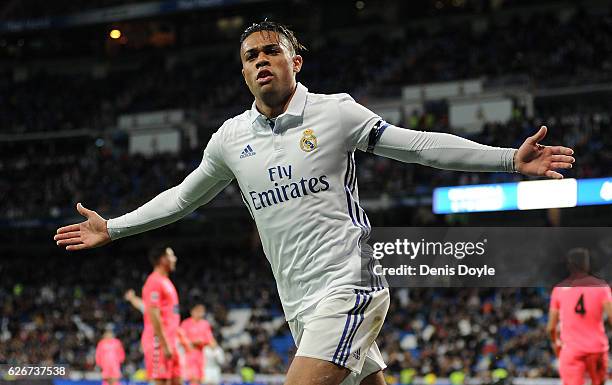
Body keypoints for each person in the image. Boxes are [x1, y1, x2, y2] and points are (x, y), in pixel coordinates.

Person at [55, 21, 575, 385]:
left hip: (350, 281)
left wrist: (509, 160)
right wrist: (115, 227)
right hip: (298, 301)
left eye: (270, 52)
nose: (261, 61)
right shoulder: (230, 139)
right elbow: (183, 198)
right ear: (243, 73)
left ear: (295, 62)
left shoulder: (335, 114)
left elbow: (417, 146)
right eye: (250, 57)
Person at [547, 248, 612, 385]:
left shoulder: (559, 289)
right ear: (586, 264)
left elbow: (551, 328)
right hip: (597, 349)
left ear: (569, 265)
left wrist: (556, 344)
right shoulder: (601, 287)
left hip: (572, 351)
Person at [140, 245, 182, 385]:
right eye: (171, 255)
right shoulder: (154, 281)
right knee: (161, 381)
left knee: (177, 380)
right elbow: (154, 314)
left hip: (171, 341)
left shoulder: (167, 282)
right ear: (163, 259)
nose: (174, 259)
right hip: (158, 341)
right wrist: (164, 344)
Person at [181, 304, 217, 385]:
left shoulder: (205, 324)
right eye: (198, 311)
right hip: (189, 354)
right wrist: (193, 342)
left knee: (201, 379)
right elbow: (181, 339)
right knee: (193, 379)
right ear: (192, 312)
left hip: (202, 355)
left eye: (202, 311)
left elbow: (210, 340)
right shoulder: (186, 323)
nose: (200, 313)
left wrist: (212, 344)